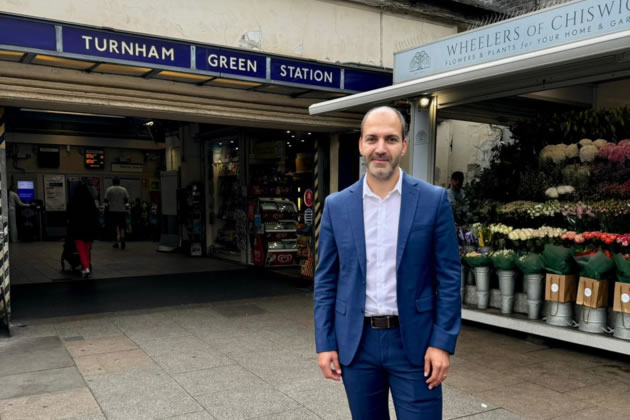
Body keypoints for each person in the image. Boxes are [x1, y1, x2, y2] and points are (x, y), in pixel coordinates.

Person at [314, 106, 461, 419]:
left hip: (417, 344)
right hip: (356, 344)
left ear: (404, 146)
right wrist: (325, 342)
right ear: (361, 145)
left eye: (391, 139)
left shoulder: (433, 201)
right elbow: (327, 280)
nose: (381, 148)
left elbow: (448, 276)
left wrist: (443, 342)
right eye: (373, 139)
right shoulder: (336, 206)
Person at [67, 182, 99, 278]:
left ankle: (86, 267)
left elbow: (69, 216)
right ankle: (86, 266)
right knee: (87, 249)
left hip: (78, 230)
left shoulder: (73, 202)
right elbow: (95, 215)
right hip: (89, 229)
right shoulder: (90, 201)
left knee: (81, 250)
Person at [104, 177, 130, 249]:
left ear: (113, 182)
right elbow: (126, 201)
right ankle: (122, 240)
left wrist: (106, 209)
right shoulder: (123, 190)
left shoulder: (109, 189)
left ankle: (115, 242)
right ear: (119, 182)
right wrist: (127, 209)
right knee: (122, 226)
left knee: (113, 227)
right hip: (122, 211)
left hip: (112, 211)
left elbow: (106, 201)